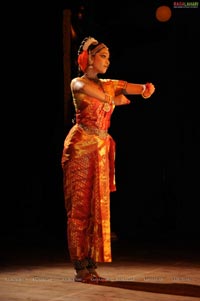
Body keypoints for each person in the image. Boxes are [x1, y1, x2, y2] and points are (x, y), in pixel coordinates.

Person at [61, 36, 155, 283]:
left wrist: (145, 89)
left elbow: (130, 86)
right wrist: (112, 99)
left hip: (101, 148)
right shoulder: (78, 82)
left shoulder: (108, 84)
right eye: (103, 55)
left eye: (108, 57)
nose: (107, 60)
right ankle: (80, 267)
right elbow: (91, 92)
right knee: (79, 208)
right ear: (90, 58)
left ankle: (91, 266)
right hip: (81, 147)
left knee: (96, 207)